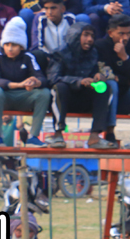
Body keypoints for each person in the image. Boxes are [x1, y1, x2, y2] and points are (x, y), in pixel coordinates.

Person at [48, 22, 118, 150]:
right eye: (86, 35)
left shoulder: (93, 53)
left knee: (106, 88)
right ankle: (58, 134)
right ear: (75, 36)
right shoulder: (60, 53)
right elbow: (53, 78)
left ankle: (95, 136)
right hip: (64, 100)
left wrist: (98, 77)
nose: (90, 39)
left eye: (92, 36)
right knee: (59, 88)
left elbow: (93, 74)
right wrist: (79, 81)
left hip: (85, 100)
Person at [0, 17, 52, 147]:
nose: (10, 49)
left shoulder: (28, 56)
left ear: (21, 46)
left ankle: (33, 136)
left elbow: (42, 78)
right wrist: (19, 85)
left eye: (14, 45)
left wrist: (35, 82)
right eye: (7, 45)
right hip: (4, 97)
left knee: (44, 93)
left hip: (23, 97)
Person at [97, 14, 130, 148]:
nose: (125, 38)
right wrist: (127, 78)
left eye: (128, 33)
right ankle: (110, 133)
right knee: (111, 84)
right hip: (105, 100)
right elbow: (106, 74)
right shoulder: (101, 46)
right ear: (110, 33)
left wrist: (125, 58)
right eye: (121, 33)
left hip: (127, 98)